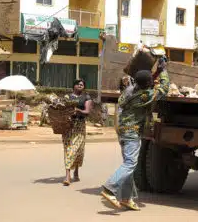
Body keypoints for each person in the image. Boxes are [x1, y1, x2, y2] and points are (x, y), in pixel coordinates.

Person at [101, 70, 170, 211]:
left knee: (129, 164)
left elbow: (148, 85)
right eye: (151, 81)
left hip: (122, 131)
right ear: (147, 84)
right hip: (132, 133)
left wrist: (154, 73)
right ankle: (110, 188)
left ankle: (126, 198)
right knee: (130, 163)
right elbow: (163, 89)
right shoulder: (145, 96)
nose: (152, 82)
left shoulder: (129, 90)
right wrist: (163, 72)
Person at [62, 79, 92, 186]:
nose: (80, 85)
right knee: (69, 150)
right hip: (68, 127)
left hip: (80, 127)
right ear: (74, 86)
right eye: (78, 84)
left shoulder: (86, 98)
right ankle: (67, 176)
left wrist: (78, 110)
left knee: (78, 150)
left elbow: (87, 112)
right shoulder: (67, 97)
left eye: (82, 84)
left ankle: (76, 171)